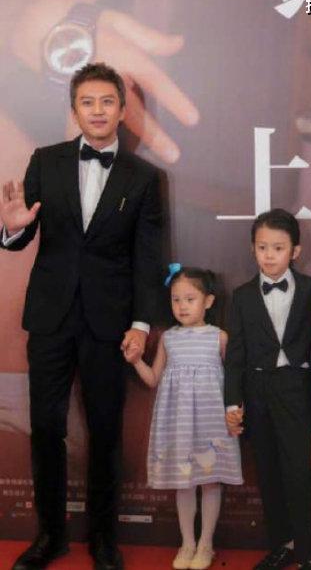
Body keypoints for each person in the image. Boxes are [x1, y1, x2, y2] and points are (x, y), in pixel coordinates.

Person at [0, 62, 162, 570]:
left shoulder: (144, 177)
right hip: (50, 317)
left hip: (109, 322)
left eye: (107, 101)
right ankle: (50, 536)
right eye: (87, 102)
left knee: (105, 431)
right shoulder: (45, 161)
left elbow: (149, 258)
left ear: (122, 110)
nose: (97, 110)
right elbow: (22, 235)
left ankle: (104, 539)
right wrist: (12, 228)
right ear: (74, 110)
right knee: (47, 428)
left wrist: (140, 325)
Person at [224, 209, 311, 570]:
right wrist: (232, 403)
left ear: (295, 251)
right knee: (267, 473)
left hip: (296, 388)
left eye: (278, 248)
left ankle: (306, 555)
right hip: (257, 392)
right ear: (252, 248)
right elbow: (235, 356)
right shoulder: (242, 295)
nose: (269, 255)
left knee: (298, 473)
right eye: (262, 247)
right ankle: (282, 545)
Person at [125, 266, 242, 570]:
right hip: (179, 423)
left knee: (211, 482)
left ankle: (206, 544)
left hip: (211, 422)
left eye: (190, 299)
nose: (182, 306)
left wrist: (236, 410)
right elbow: (153, 379)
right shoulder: (168, 339)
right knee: (184, 484)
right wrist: (136, 361)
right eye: (176, 299)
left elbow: (235, 380)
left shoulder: (219, 337)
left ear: (209, 301)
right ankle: (187, 543)